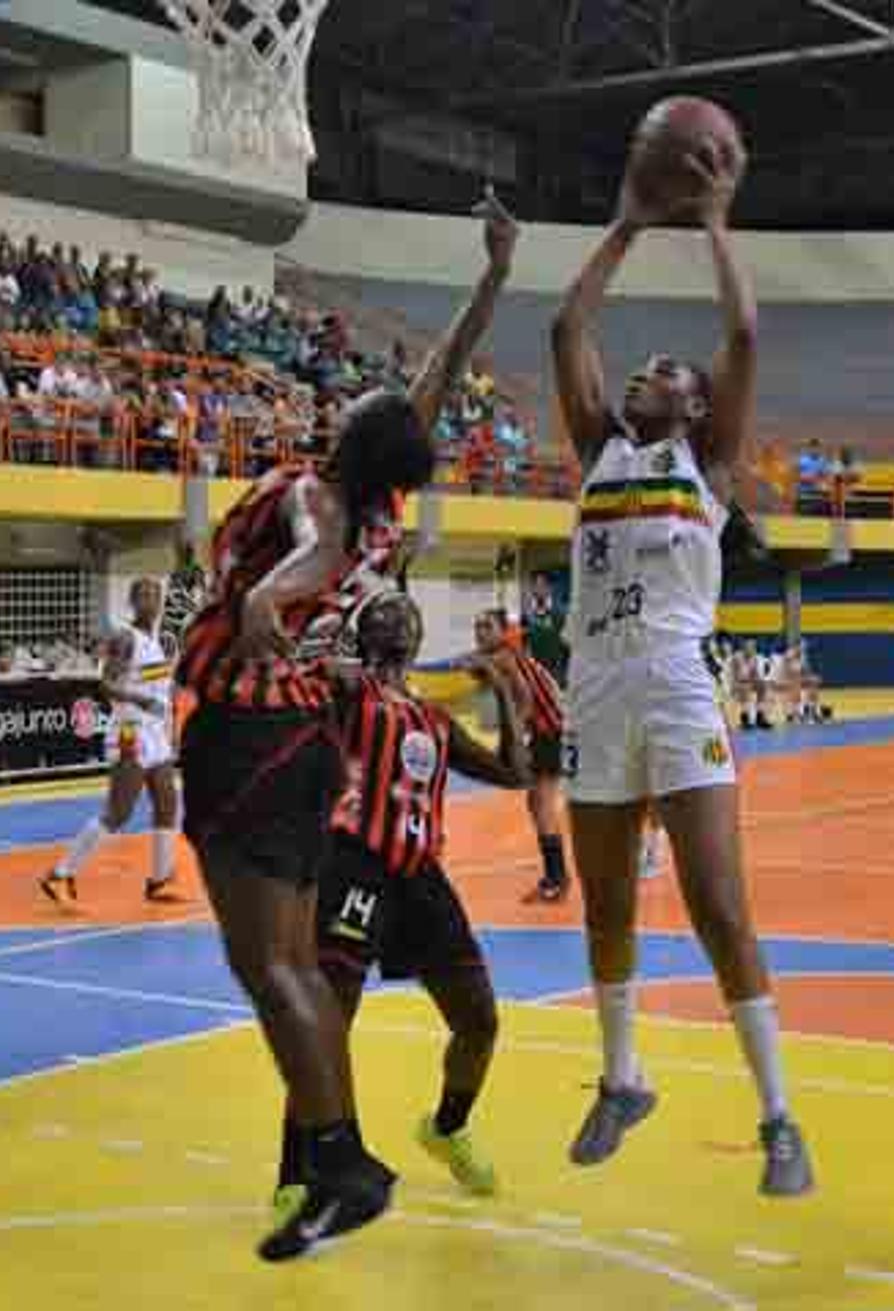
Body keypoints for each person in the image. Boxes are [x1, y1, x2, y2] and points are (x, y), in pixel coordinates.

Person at [173, 189, 517, 1263]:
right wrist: (492, 277)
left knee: (268, 967)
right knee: (301, 970)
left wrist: (269, 614)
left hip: (249, 741)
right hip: (310, 752)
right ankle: (340, 1158)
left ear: (351, 434)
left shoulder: (325, 511)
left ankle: (339, 1157)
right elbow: (434, 387)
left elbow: (293, 580)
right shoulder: (378, 506)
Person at [550, 142, 811, 1195]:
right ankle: (622, 1078)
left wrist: (714, 218)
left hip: (673, 680)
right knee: (606, 905)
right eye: (647, 369)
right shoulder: (601, 450)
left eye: (669, 372)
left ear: (697, 409)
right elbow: (568, 329)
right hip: (593, 685)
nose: (651, 371)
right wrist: (624, 220)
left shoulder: (703, 465)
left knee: (716, 904)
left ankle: (780, 1115)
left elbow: (743, 332)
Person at [273, 591, 531, 1222]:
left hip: (419, 878)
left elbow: (515, 771)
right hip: (353, 865)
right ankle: (296, 1177)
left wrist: (504, 690)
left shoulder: (434, 721)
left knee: (479, 1019)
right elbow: (297, 692)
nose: (392, 637)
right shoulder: (349, 694)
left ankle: (447, 1126)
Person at [41, 577, 183, 905]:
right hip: (129, 731)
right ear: (132, 601)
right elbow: (105, 685)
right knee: (118, 813)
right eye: (143, 595)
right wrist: (141, 700)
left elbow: (155, 683)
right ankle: (61, 874)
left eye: (155, 595)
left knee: (168, 801)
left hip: (154, 733)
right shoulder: (124, 637)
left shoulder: (158, 641)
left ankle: (160, 879)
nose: (151, 601)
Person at [466, 610, 571, 906]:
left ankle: (556, 880)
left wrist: (520, 737)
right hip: (553, 730)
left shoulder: (504, 658)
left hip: (548, 734)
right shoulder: (510, 655)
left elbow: (524, 697)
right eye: (477, 626)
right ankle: (555, 877)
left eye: (487, 626)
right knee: (538, 803)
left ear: (503, 631)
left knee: (541, 803)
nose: (480, 632)